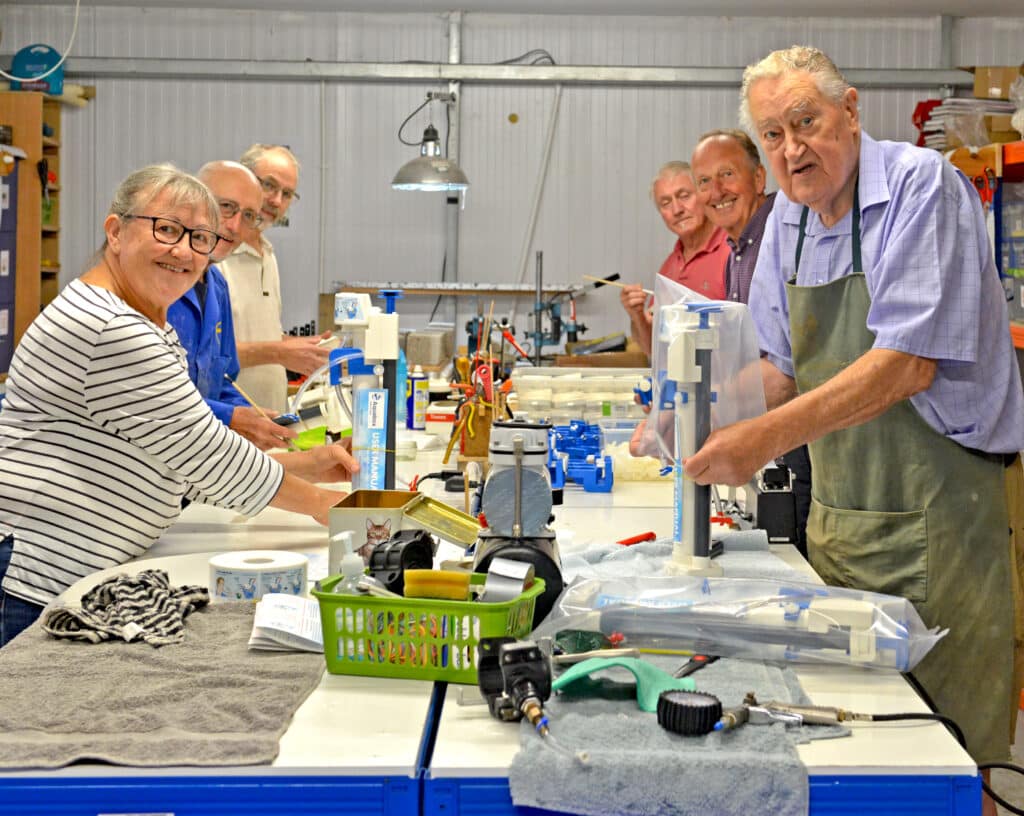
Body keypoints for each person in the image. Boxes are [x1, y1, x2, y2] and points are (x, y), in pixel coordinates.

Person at [684, 45, 1024, 796]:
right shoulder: (791, 223)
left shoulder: (920, 187)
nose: (792, 148)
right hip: (842, 529)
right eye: (772, 135)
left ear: (851, 110)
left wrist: (759, 440)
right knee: (853, 749)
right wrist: (690, 413)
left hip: (943, 523)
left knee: (951, 763)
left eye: (806, 121)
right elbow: (779, 368)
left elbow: (907, 364)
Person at [0, 164, 358, 647]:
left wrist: (307, 465)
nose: (184, 251)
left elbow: (174, 454)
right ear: (116, 232)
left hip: (78, 570)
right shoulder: (112, 327)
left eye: (200, 239)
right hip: (40, 575)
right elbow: (203, 452)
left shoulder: (142, 321)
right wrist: (327, 507)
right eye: (167, 230)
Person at [691, 129, 812, 557]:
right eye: (704, 182)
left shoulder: (782, 234)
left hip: (801, 436)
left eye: (727, 174)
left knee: (798, 559)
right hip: (769, 433)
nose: (716, 191)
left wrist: (698, 410)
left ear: (759, 179)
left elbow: (787, 370)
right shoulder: (737, 250)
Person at [167, 160, 295, 451]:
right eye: (226, 207)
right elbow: (158, 398)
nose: (235, 226)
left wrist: (258, 418)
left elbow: (223, 381)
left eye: (248, 215)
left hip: (200, 458)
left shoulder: (217, 287)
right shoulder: (162, 282)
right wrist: (233, 417)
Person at [217, 144, 332, 413]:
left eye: (287, 194)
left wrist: (297, 346)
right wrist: (280, 352)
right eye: (269, 185)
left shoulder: (267, 254)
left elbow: (256, 332)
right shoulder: (215, 257)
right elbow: (208, 352)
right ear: (243, 179)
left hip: (269, 418)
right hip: (229, 421)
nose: (277, 201)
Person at [619, 161, 730, 355]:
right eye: (666, 203)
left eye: (684, 196)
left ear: (703, 195)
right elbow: (654, 351)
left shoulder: (732, 251)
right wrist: (637, 315)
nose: (677, 209)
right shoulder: (669, 268)